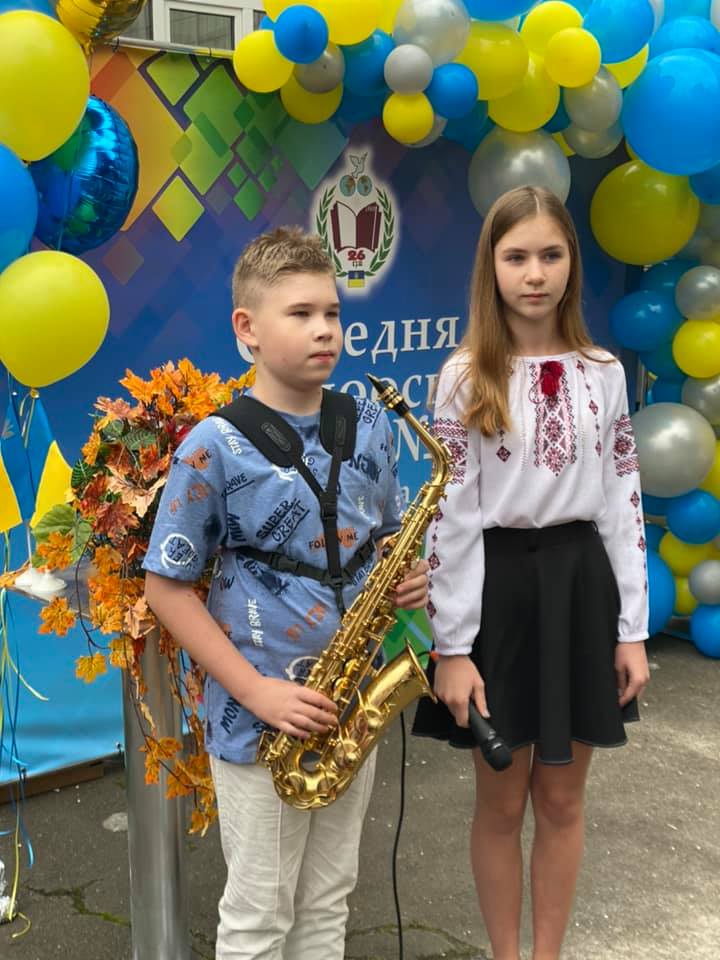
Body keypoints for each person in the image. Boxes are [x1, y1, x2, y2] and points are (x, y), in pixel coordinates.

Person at [143, 226, 429, 960]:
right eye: (300, 313)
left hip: (350, 702)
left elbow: (387, 534)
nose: (325, 329)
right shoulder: (212, 445)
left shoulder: (368, 424)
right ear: (247, 329)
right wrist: (257, 692)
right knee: (260, 915)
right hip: (259, 717)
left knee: (329, 901)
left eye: (332, 312)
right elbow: (166, 589)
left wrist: (408, 574)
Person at [412, 186, 650, 960]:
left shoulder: (604, 371)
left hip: (582, 590)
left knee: (563, 798)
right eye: (516, 257)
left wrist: (633, 630)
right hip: (500, 595)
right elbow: (450, 516)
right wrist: (453, 648)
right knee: (501, 802)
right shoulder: (463, 376)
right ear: (491, 266)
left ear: (572, 263)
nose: (535, 274)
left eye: (551, 255)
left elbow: (622, 500)